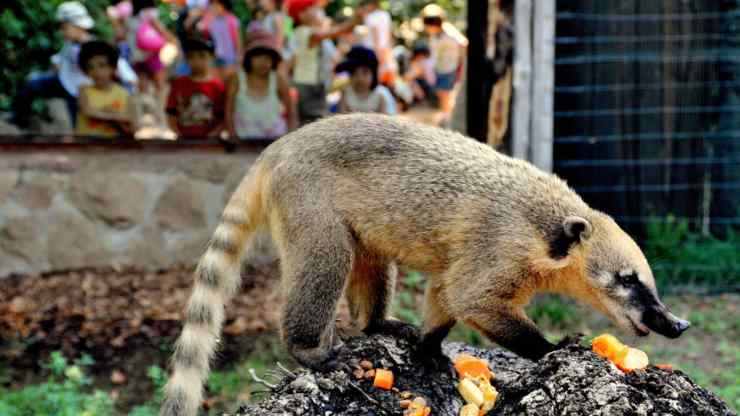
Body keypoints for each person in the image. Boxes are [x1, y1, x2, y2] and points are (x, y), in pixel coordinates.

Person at [11, 2, 136, 129]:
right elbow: (59, 60)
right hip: (65, 83)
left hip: (81, 91)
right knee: (33, 84)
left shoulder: (93, 47)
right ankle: (20, 119)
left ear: (79, 26)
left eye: (65, 28)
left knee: (79, 121)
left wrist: (128, 79)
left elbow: (117, 65)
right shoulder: (70, 44)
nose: (62, 31)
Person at [287, 0, 363, 124]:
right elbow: (335, 32)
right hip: (308, 86)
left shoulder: (306, 32)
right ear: (301, 15)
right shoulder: (304, 32)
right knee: (313, 122)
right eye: (313, 8)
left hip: (313, 84)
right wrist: (354, 20)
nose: (319, 12)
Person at [227, 28, 297, 139]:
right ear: (248, 58)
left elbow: (291, 110)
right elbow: (229, 110)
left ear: (273, 60)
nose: (263, 62)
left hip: (275, 140)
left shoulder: (278, 79)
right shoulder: (237, 79)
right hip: (243, 141)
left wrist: (290, 137)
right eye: (257, 56)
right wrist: (232, 135)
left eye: (268, 57)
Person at [166, 39, 226, 139]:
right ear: (186, 59)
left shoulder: (218, 86)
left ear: (211, 57)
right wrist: (178, 132)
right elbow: (171, 113)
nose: (196, 61)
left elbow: (223, 118)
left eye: (202, 56)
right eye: (191, 57)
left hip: (210, 142)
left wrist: (213, 135)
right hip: (183, 141)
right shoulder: (178, 83)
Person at [421, 4, 467, 124]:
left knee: (445, 94)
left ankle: (448, 119)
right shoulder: (435, 34)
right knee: (442, 94)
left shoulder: (448, 33)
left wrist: (461, 64)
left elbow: (464, 44)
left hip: (449, 68)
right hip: (441, 67)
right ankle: (446, 116)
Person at [76, 41, 133, 137]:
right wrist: (113, 115)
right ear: (85, 70)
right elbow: (87, 111)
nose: (96, 71)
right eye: (91, 67)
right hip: (86, 147)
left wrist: (116, 119)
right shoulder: (84, 90)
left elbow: (130, 126)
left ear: (113, 67)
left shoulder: (124, 94)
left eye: (102, 65)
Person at [128, 0, 178, 98]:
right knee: (159, 84)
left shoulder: (130, 20)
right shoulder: (149, 15)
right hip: (152, 55)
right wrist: (173, 41)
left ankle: (145, 108)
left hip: (136, 56)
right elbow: (161, 30)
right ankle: (158, 107)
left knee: (142, 86)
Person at [337, 46, 386, 114]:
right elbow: (341, 118)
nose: (360, 78)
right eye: (355, 73)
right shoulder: (346, 93)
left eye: (365, 72)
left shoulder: (380, 95)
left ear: (373, 74)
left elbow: (383, 120)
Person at [198, 0, 241, 78]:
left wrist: (238, 57)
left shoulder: (231, 20)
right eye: (212, 6)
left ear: (223, 6)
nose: (214, 8)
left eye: (216, 5)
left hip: (230, 58)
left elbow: (237, 40)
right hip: (217, 56)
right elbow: (202, 30)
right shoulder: (213, 21)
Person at [359, 0, 397, 85]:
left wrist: (378, 55)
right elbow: (389, 35)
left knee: (375, 79)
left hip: (373, 52)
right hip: (385, 51)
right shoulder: (385, 15)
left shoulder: (370, 17)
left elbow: (376, 37)